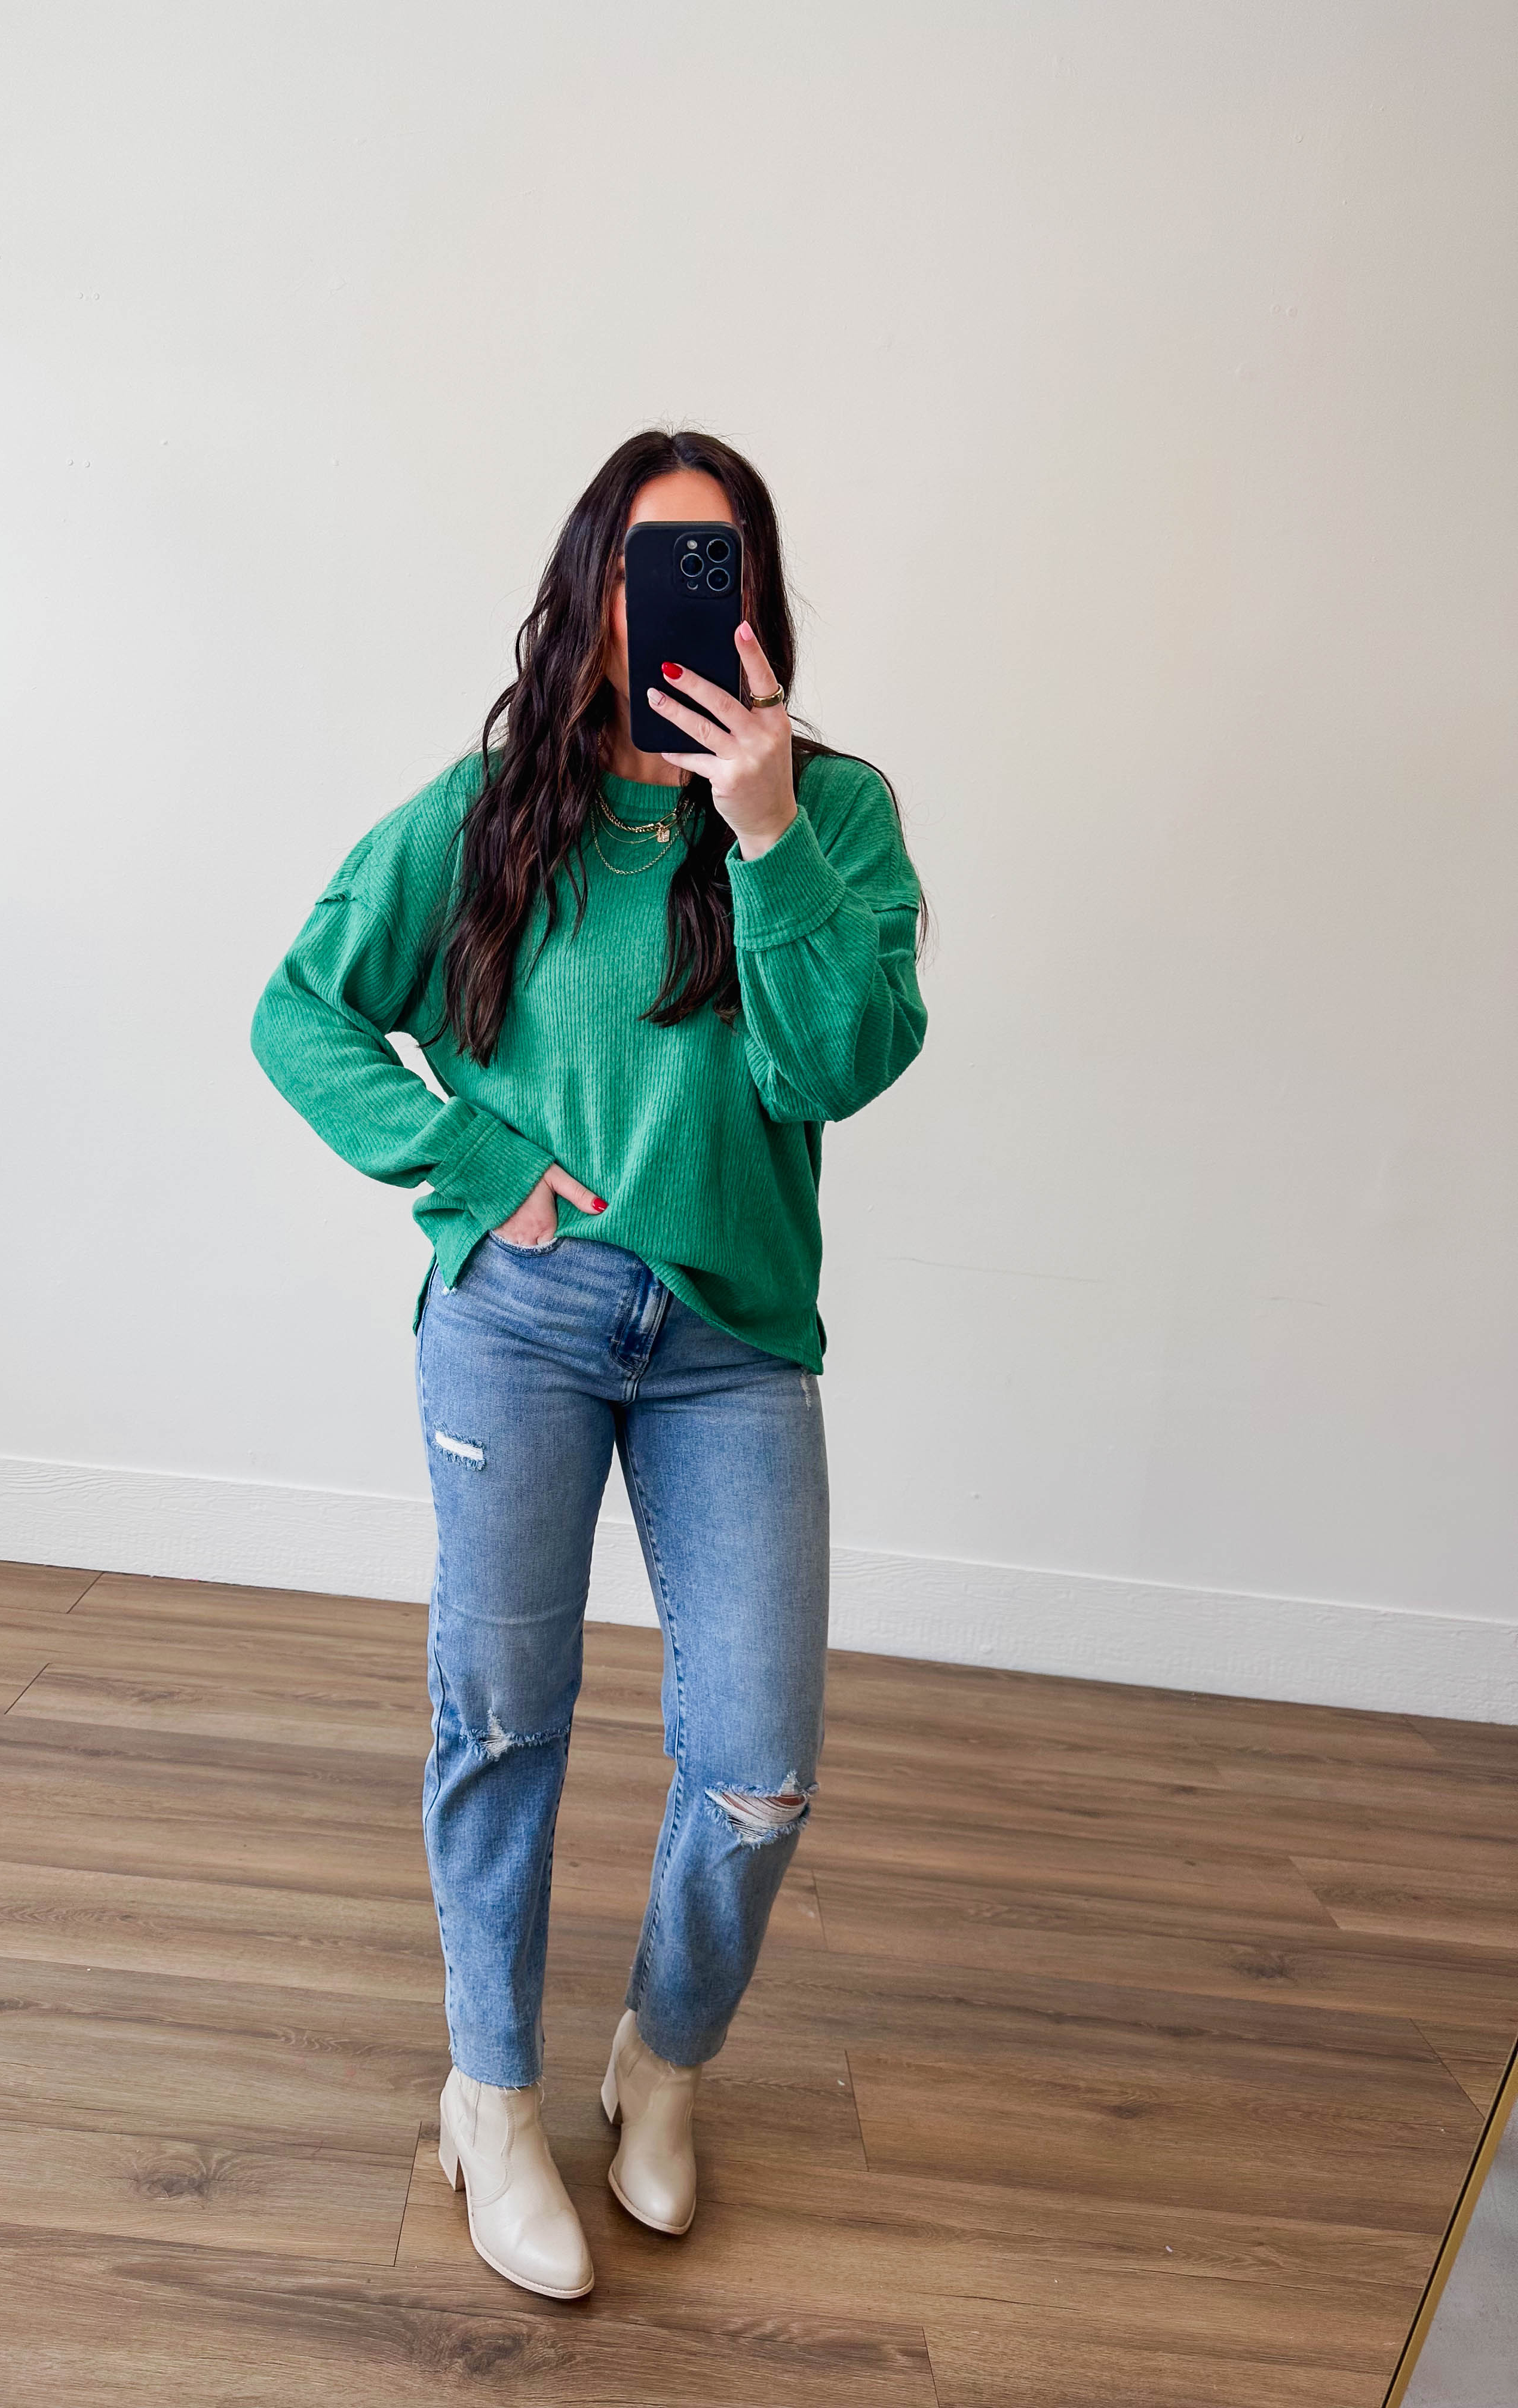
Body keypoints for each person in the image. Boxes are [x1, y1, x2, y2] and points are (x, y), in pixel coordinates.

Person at [251, 428, 928, 2300]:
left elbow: (837, 1065)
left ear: (758, 599)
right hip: (522, 1324)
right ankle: (490, 2101)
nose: (676, 604)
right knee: (503, 1720)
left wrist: (765, 827)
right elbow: (301, 1010)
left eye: (717, 566)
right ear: (591, 592)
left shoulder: (834, 814)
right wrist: (471, 1167)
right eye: (646, 565)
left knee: (760, 1766)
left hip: (732, 1339)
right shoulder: (496, 811)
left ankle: (660, 2063)